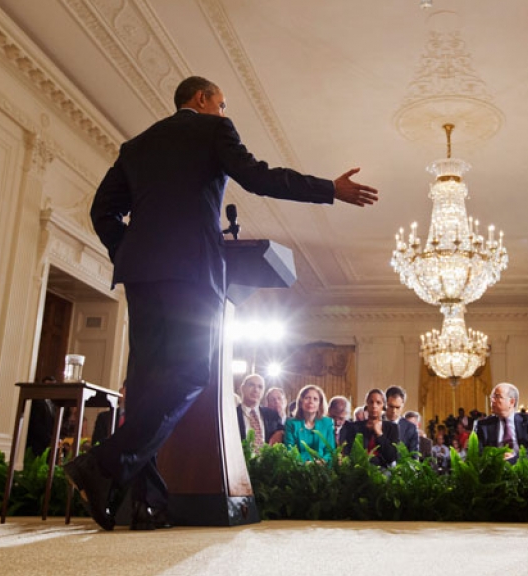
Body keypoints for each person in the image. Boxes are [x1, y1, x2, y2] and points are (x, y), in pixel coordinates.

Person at [64, 75, 378, 531]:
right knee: (192, 373)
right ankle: (105, 463)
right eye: (222, 103)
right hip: (191, 272)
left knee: (149, 383)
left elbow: (102, 212)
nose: (225, 111)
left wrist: (131, 253)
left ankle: (147, 506)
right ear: (203, 99)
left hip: (143, 275)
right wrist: (328, 188)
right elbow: (257, 177)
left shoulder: (136, 146)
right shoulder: (214, 130)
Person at [472, 383, 528, 468]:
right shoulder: (484, 425)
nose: (492, 400)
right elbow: (480, 452)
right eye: (492, 397)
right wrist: (498, 457)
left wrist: (513, 459)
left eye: (497, 396)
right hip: (496, 469)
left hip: (523, 467)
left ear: (511, 402)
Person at [339, 389, 398, 467]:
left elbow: (391, 457)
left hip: (383, 469)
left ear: (383, 405)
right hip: (359, 469)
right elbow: (349, 453)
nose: (374, 406)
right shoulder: (354, 427)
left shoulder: (392, 427)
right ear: (367, 404)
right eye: (371, 402)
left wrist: (379, 434)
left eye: (378, 403)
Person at [283, 384, 335, 462]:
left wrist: (323, 462)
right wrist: (305, 463)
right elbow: (290, 450)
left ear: (319, 404)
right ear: (300, 402)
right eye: (307, 398)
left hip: (323, 468)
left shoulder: (327, 423)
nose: (311, 402)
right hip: (298, 467)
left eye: (315, 399)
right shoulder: (291, 423)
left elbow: (330, 451)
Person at [236, 374, 283, 447]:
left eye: (260, 387)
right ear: (242, 388)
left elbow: (285, 431)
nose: (256, 390)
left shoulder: (273, 415)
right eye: (251, 385)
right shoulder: (233, 415)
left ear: (263, 392)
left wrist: (282, 432)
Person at [25, 376, 58, 459]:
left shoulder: (54, 404)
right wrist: (48, 439)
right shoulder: (37, 402)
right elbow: (35, 423)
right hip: (37, 443)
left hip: (48, 444)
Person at [384, 386, 420, 454]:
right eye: (391, 406)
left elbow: (413, 458)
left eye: (397, 407)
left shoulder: (411, 429)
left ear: (403, 406)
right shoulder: (375, 423)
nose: (394, 411)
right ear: (385, 404)